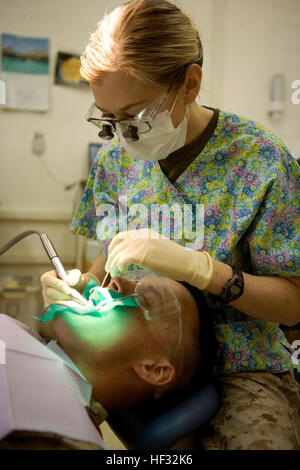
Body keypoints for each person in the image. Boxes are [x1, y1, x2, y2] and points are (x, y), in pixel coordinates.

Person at [41, 0, 300, 449]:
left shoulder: (260, 161)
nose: (122, 137)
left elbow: (295, 306)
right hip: (138, 356)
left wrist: (204, 270)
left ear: (191, 83)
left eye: (137, 118)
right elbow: (107, 259)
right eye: (109, 120)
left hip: (243, 364)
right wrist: (78, 285)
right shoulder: (114, 163)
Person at [0, 275, 214, 450]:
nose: (115, 281)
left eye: (145, 300)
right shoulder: (21, 334)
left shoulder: (63, 442)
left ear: (154, 369)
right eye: (133, 279)